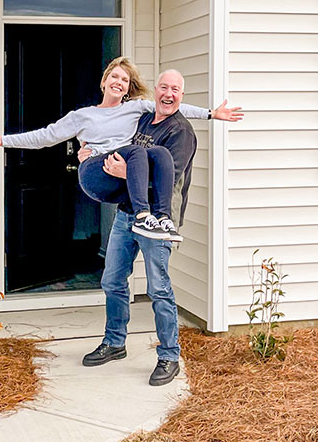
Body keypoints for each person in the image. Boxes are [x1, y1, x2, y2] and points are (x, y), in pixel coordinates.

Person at [80, 69, 243, 386]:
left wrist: (125, 173)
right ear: (155, 91)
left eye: (176, 90)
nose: (169, 94)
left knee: (159, 289)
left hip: (157, 220)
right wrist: (90, 151)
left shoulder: (180, 132)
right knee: (112, 280)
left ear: (182, 96)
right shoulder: (141, 120)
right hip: (128, 213)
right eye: (164, 88)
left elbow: (166, 183)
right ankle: (114, 343)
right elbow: (114, 145)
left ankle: (169, 356)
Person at [0, 57, 216, 241]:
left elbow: (173, 107)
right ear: (104, 82)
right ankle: (143, 216)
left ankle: (164, 219)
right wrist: (4, 140)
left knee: (160, 154)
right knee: (137, 152)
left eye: (124, 80)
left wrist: (210, 114)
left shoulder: (135, 108)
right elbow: (46, 136)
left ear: (127, 88)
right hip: (95, 171)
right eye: (114, 76)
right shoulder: (83, 116)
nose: (118, 82)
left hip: (119, 169)